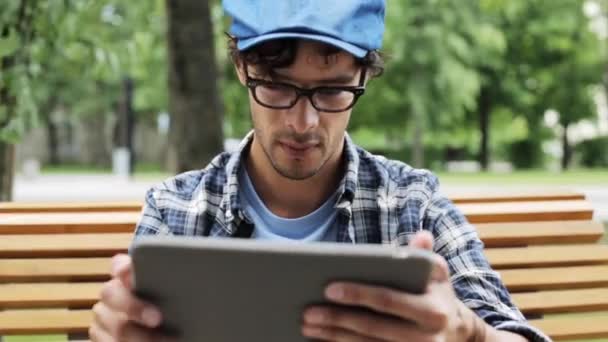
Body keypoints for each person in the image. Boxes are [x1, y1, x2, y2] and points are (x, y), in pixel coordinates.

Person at [89, 1, 551, 341]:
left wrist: (467, 331)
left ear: (364, 76)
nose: (302, 123)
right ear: (241, 68)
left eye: (331, 92)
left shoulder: (413, 203)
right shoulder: (175, 210)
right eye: (276, 87)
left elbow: (514, 334)